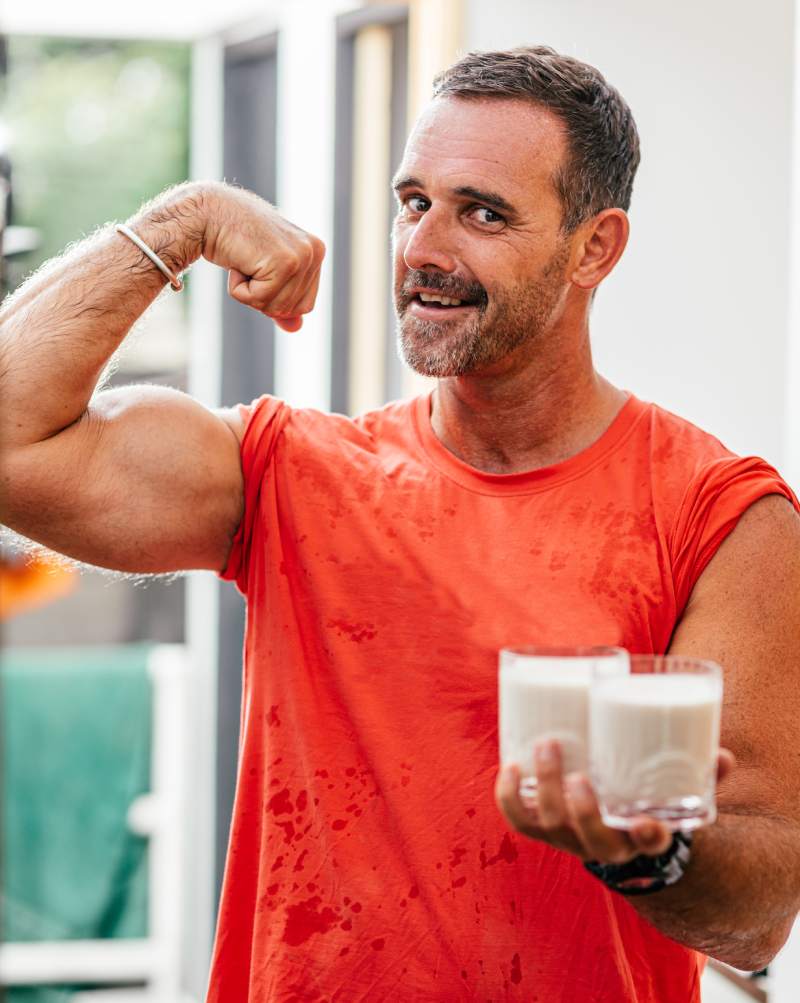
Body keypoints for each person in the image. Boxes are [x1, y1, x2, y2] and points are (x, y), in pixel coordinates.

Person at [2, 44, 799, 1003]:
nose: (424, 249)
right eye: (414, 201)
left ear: (596, 246)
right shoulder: (288, 473)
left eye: (483, 213)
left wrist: (651, 853)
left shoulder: (722, 513)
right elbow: (13, 442)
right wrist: (180, 221)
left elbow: (759, 913)